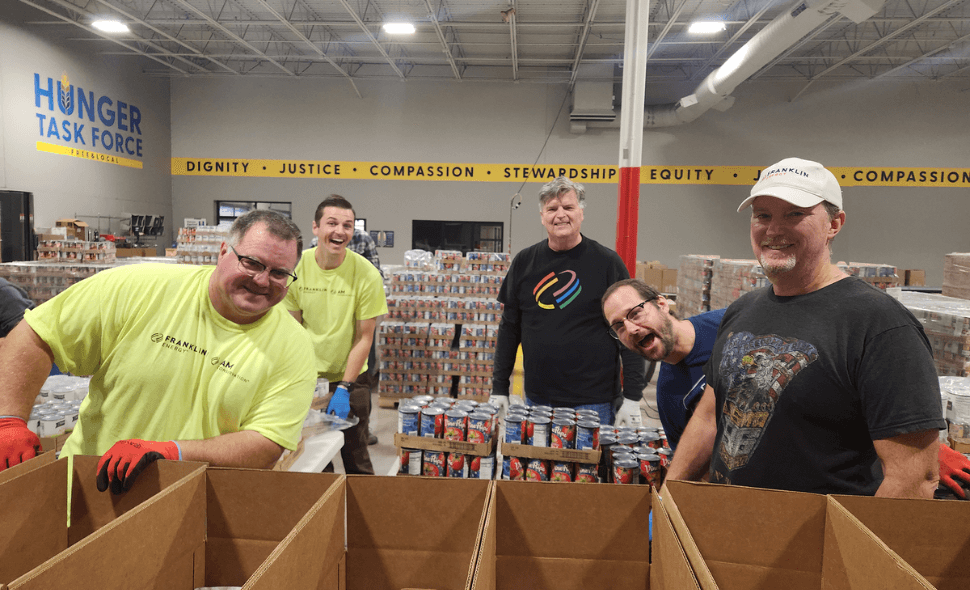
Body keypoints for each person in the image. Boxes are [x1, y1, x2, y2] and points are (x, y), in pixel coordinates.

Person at [661, 157, 947, 498]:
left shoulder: (879, 324)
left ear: (834, 224)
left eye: (795, 214)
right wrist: (669, 498)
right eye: (763, 215)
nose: (774, 229)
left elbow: (914, 478)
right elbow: (709, 418)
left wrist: (852, 552)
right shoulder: (742, 311)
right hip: (731, 531)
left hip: (820, 542)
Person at [0, 210, 316, 493]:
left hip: (190, 507)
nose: (262, 280)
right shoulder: (138, 288)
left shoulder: (293, 347)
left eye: (279, 273)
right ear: (223, 252)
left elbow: (265, 444)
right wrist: (9, 420)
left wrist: (172, 452)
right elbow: (36, 334)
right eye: (252, 263)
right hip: (87, 492)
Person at [489, 176, 645, 426]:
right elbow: (509, 329)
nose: (560, 215)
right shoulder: (524, 262)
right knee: (541, 464)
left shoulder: (607, 263)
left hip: (593, 401)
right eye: (552, 209)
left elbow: (630, 329)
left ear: (581, 213)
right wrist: (499, 387)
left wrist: (633, 397)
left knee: (588, 466)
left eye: (568, 207)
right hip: (538, 399)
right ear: (542, 216)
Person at [284, 195, 387, 475]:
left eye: (347, 225)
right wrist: (301, 380)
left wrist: (343, 387)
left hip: (352, 381)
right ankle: (323, 514)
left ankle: (363, 516)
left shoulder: (366, 275)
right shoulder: (296, 267)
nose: (340, 231)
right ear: (316, 228)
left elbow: (365, 337)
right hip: (307, 380)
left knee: (356, 455)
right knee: (314, 458)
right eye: (332, 223)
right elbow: (293, 330)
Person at [601, 278, 724, 450]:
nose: (630, 329)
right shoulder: (669, 396)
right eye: (619, 326)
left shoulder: (726, 325)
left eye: (635, 313)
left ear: (662, 304)